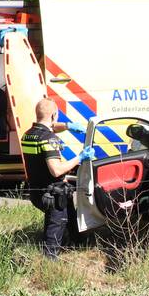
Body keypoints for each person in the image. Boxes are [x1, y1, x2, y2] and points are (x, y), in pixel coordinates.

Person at [21, 98, 94, 258]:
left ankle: (79, 243)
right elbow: (56, 170)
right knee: (55, 227)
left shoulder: (28, 135)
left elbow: (49, 126)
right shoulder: (49, 139)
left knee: (70, 215)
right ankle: (49, 264)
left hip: (37, 191)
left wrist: (68, 127)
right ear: (54, 115)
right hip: (53, 195)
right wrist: (80, 158)